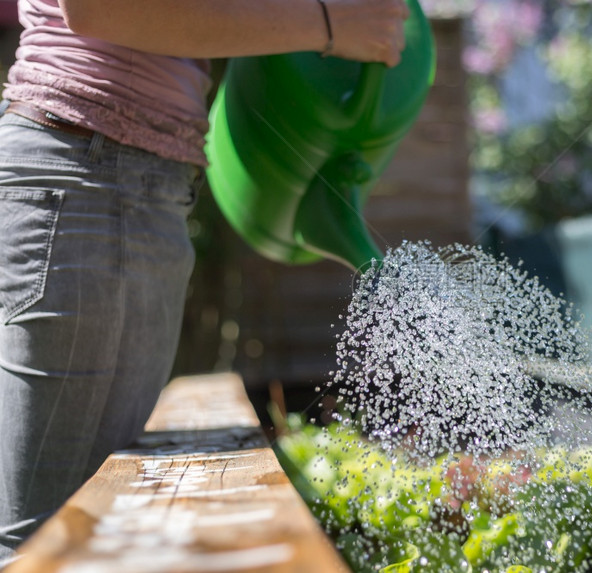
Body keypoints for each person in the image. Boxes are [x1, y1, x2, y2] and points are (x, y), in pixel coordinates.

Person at [0, 0, 408, 563]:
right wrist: (331, 24)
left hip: (153, 186)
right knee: (40, 539)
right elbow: (96, 10)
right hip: (84, 169)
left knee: (101, 523)